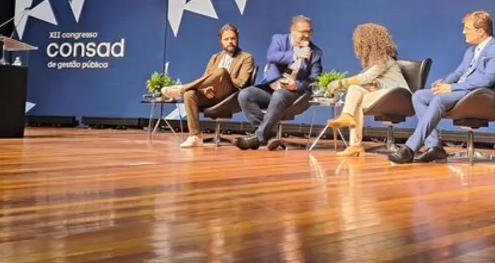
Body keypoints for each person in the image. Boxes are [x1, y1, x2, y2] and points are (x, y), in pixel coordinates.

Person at [388, 11, 495, 164]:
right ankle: (434, 148)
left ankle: (410, 148)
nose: (463, 32)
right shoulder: (471, 51)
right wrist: (444, 83)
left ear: (480, 31)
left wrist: (451, 88)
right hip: (464, 92)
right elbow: (459, 72)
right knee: (419, 96)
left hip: (483, 97)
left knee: (439, 99)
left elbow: (487, 80)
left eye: (467, 28)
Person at [236, 15, 323, 151]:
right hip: (271, 89)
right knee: (245, 95)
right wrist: (295, 55)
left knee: (279, 95)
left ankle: (258, 138)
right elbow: (272, 56)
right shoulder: (279, 39)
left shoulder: (316, 52)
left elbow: (315, 78)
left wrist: (297, 85)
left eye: (309, 31)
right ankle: (267, 136)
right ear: (292, 31)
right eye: (303, 32)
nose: (307, 35)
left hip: (294, 93)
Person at [161, 24, 255, 148]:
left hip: (232, 95)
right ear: (221, 41)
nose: (230, 42)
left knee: (221, 71)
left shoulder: (246, 57)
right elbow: (205, 78)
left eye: (233, 38)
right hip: (212, 95)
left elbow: (241, 83)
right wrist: (205, 89)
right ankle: (195, 136)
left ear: (237, 39)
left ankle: (182, 88)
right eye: (226, 39)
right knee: (190, 94)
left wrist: (221, 78)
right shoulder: (215, 57)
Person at [324, 24, 409, 157]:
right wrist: (377, 84)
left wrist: (340, 83)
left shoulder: (384, 59)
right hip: (388, 94)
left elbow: (365, 77)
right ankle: (354, 142)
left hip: (400, 97)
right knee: (355, 92)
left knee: (356, 95)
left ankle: (349, 124)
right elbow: (380, 81)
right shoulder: (377, 62)